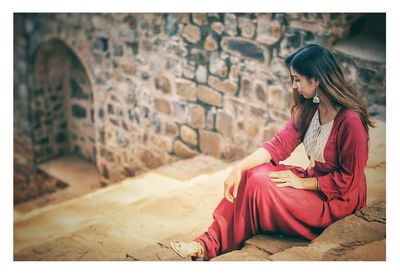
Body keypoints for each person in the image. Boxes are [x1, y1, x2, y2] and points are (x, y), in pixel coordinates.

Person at [170, 44, 375, 261]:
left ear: (316, 79)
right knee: (252, 175)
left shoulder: (350, 121)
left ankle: (211, 244)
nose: (294, 86)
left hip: (336, 199)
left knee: (261, 187)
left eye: (297, 79)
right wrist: (238, 168)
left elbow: (349, 180)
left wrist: (302, 183)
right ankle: (205, 244)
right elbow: (278, 144)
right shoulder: (310, 109)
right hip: (313, 181)